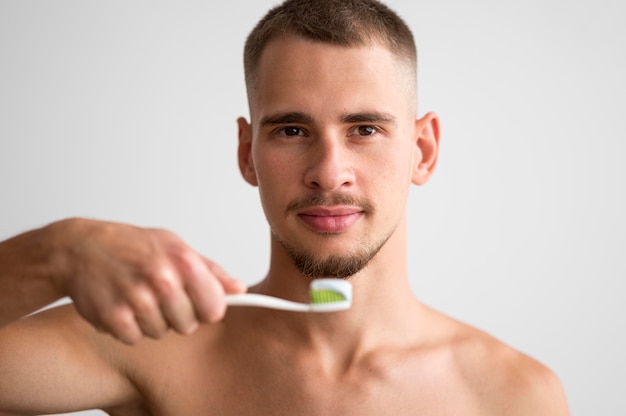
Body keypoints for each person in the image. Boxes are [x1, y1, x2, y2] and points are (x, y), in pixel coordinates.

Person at [0, 0, 569, 414]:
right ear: (248, 153)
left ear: (423, 150)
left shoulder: (515, 396)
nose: (328, 171)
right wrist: (54, 253)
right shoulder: (147, 345)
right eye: (293, 130)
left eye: (364, 129)